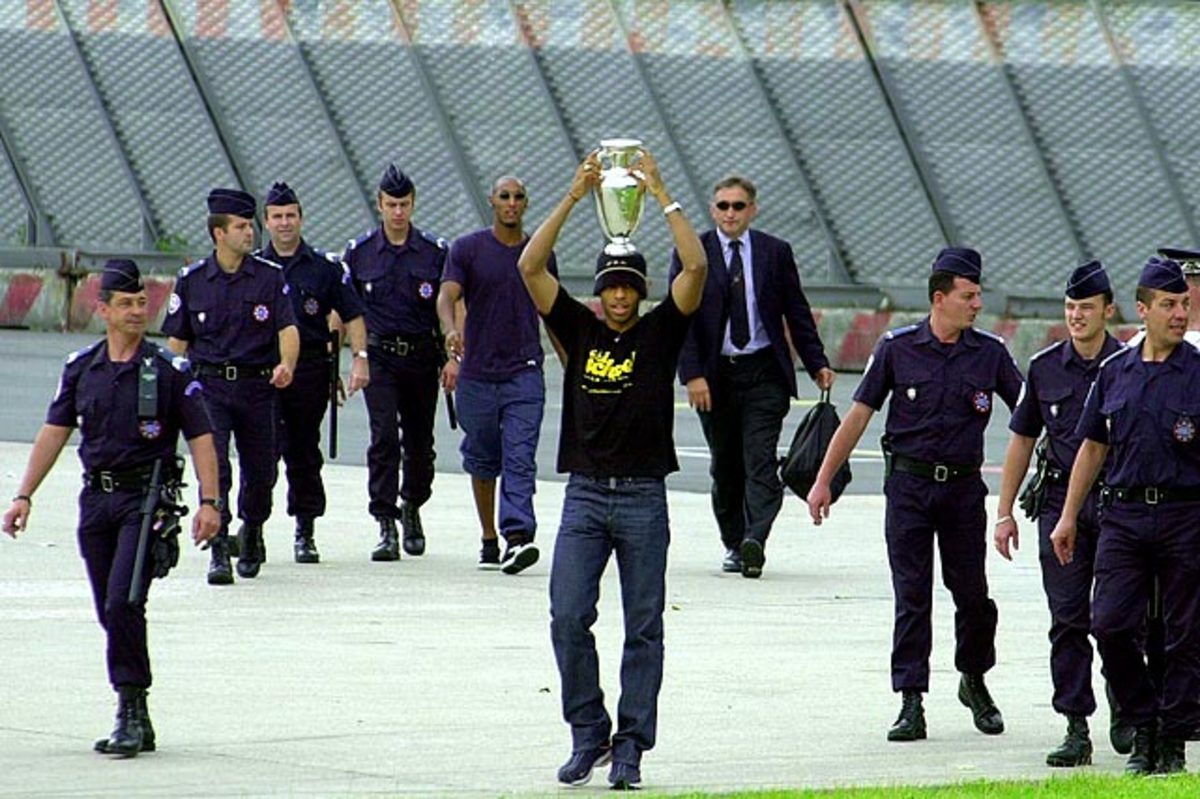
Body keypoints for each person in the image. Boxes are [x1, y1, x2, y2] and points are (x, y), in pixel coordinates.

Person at [517, 150, 707, 790]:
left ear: (641, 290)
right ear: (598, 292)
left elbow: (698, 266)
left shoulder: (659, 334)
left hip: (643, 499)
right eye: (610, 286)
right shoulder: (579, 330)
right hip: (586, 497)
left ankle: (630, 745)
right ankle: (587, 732)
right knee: (568, 615)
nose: (619, 295)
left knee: (644, 626)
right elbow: (530, 265)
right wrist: (574, 197)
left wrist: (659, 194)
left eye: (629, 285)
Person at [2, 259, 221, 757]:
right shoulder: (82, 369)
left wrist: (211, 503)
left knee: (124, 600)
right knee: (110, 607)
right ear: (102, 309)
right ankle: (137, 707)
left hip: (144, 500)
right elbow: (54, 433)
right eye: (125, 304)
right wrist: (23, 495)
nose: (137, 311)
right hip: (95, 501)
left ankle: (130, 705)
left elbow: (203, 437)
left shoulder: (168, 370)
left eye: (142, 302)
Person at [807, 247, 1024, 742]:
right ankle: (911, 700)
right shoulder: (897, 348)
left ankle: (974, 677)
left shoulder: (989, 353)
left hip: (964, 490)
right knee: (912, 595)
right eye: (968, 297)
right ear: (939, 298)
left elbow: (1029, 414)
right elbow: (858, 415)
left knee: (972, 595)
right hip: (908, 486)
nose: (976, 305)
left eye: (978, 296)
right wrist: (824, 480)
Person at [1050, 256, 1200, 775]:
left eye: (1184, 303)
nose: (1180, 313)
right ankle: (1142, 720)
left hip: (1186, 516)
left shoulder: (1198, 372)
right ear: (1142, 310)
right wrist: (1068, 516)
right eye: (1168, 305)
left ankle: (1172, 740)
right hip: (1124, 517)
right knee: (1109, 625)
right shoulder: (1116, 372)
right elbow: (1091, 448)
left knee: (1186, 634)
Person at [669, 175, 834, 578]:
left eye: (738, 206)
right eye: (723, 206)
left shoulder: (774, 252)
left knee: (760, 460)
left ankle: (755, 539)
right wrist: (692, 374)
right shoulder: (695, 252)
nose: (730, 213)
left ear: (752, 210)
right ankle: (733, 541)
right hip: (715, 375)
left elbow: (796, 310)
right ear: (713, 210)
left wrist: (817, 363)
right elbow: (680, 318)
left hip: (763, 371)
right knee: (725, 466)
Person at [993, 262, 1122, 767]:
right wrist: (1003, 512)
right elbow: (1022, 439)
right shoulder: (1045, 367)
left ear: (1107, 311)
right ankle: (1075, 724)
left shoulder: (1128, 363)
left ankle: (1126, 703)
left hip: (1116, 507)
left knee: (1117, 619)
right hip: (1057, 505)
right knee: (1067, 619)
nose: (1076, 317)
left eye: (1086, 308)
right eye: (1070, 308)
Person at [162, 188, 298, 585]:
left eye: (249, 225)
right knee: (215, 468)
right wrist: (175, 388)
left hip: (258, 387)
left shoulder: (270, 278)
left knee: (261, 472)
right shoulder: (192, 281)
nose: (249, 233)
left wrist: (286, 364)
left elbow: (287, 328)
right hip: (210, 388)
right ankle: (218, 547)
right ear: (219, 233)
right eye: (240, 227)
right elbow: (177, 341)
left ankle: (251, 529)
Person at [437, 176, 559, 573]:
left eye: (518, 197)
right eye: (504, 196)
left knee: (520, 457)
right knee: (483, 457)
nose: (511, 203)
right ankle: (489, 536)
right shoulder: (468, 249)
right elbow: (447, 295)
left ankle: (518, 535)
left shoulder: (538, 253)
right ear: (492, 201)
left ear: (526, 203)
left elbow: (552, 311)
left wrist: (571, 361)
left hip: (523, 372)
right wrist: (450, 331)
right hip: (477, 374)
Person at [344, 164, 449, 562]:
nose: (398, 212)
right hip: (380, 356)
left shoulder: (434, 253)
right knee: (384, 436)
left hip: (422, 356)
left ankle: (412, 504)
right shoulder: (360, 253)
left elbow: (448, 305)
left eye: (404, 204)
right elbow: (347, 312)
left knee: (420, 444)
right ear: (379, 205)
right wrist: (352, 359)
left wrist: (453, 356)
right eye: (391, 204)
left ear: (413, 204)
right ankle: (385, 521)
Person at [261, 181, 369, 563]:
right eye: (278, 217)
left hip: (309, 369)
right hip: (264, 371)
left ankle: (304, 530)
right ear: (266, 221)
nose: (285, 223)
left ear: (301, 219)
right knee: (263, 451)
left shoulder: (324, 269)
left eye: (291, 216)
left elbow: (353, 313)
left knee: (303, 451)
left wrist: (359, 358)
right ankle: (253, 528)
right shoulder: (255, 267)